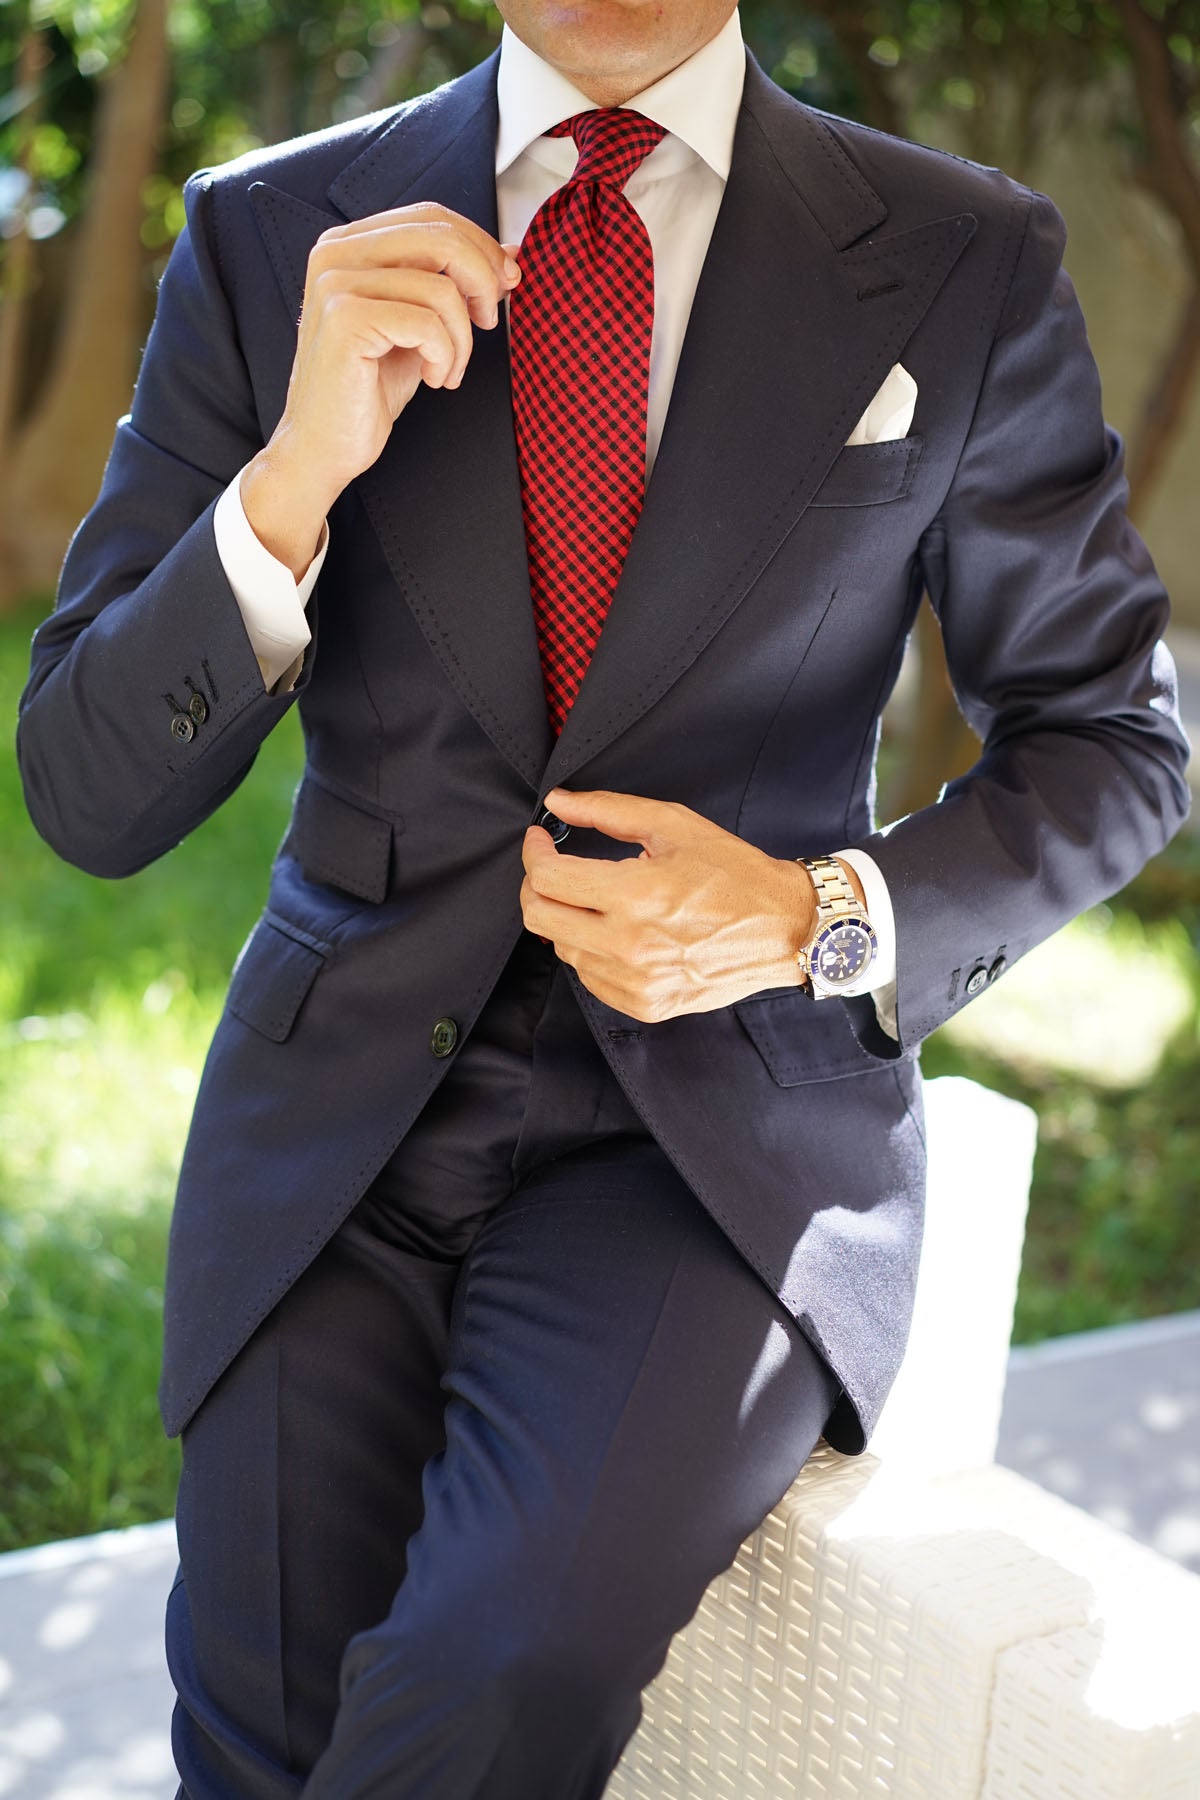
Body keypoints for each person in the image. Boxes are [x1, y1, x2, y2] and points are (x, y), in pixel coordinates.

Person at [16, 0, 1190, 1794]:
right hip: (335, 1131)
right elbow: (87, 795)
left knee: (488, 1684)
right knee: (257, 1730)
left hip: (711, 1154)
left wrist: (822, 914)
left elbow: (1114, 736)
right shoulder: (273, 238)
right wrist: (290, 480)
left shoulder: (960, 254)